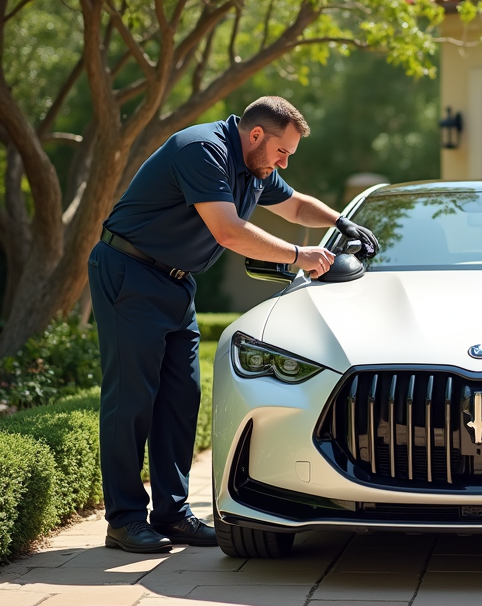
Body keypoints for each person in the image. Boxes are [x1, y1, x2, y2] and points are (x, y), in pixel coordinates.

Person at [89, 96, 377, 553]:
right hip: (130, 272)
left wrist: (342, 222)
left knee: (181, 396)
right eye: (283, 152)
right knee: (131, 399)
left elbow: (297, 206)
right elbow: (228, 231)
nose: (283, 163)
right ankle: (124, 520)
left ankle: (173, 514)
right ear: (257, 134)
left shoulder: (254, 166)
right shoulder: (203, 150)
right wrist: (299, 256)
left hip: (174, 283)